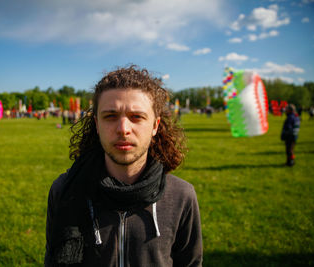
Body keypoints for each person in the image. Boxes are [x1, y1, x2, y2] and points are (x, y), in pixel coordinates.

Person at [45, 65, 202, 266]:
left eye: (136, 117)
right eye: (110, 116)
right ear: (97, 124)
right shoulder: (64, 191)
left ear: (155, 125)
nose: (123, 129)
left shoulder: (181, 196)